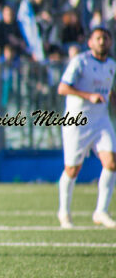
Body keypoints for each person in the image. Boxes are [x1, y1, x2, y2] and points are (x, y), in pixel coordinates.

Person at [57, 27, 116, 229]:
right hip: (78, 120)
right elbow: (62, 87)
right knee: (72, 169)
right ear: (90, 42)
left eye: (105, 38)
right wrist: (88, 95)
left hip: (101, 120)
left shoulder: (111, 66)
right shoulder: (80, 62)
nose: (102, 42)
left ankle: (101, 211)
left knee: (111, 162)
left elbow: (110, 92)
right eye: (98, 38)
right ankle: (64, 212)